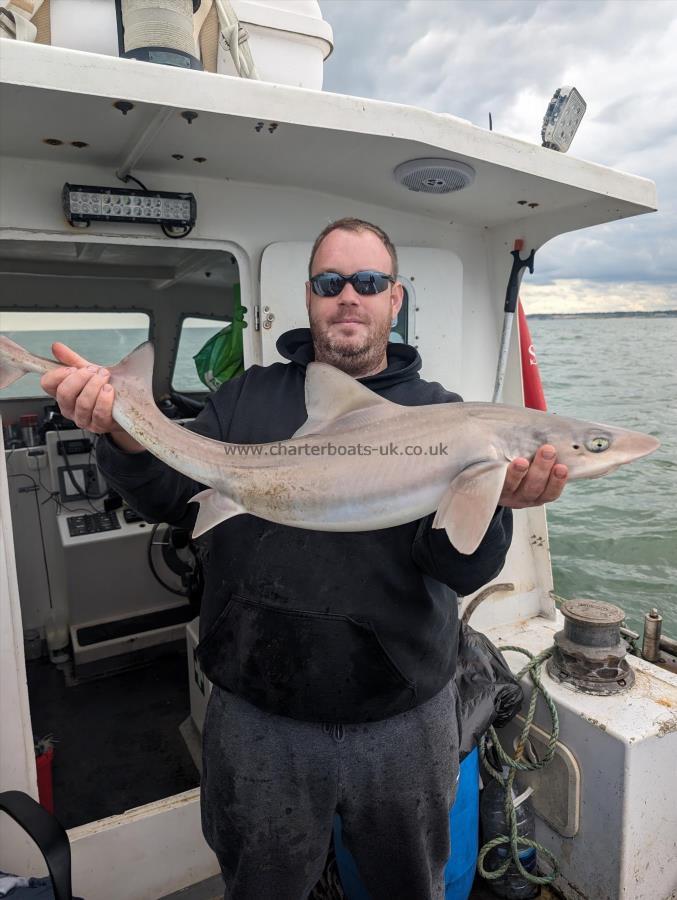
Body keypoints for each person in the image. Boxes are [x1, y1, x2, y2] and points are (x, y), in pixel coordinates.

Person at [41, 218, 568, 900]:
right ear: (311, 297)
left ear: (393, 299)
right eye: (331, 282)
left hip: (400, 719)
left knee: (406, 888)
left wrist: (499, 499)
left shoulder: (447, 416)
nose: (349, 296)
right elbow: (171, 496)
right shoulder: (246, 398)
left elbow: (459, 570)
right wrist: (123, 433)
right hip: (258, 715)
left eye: (369, 282)